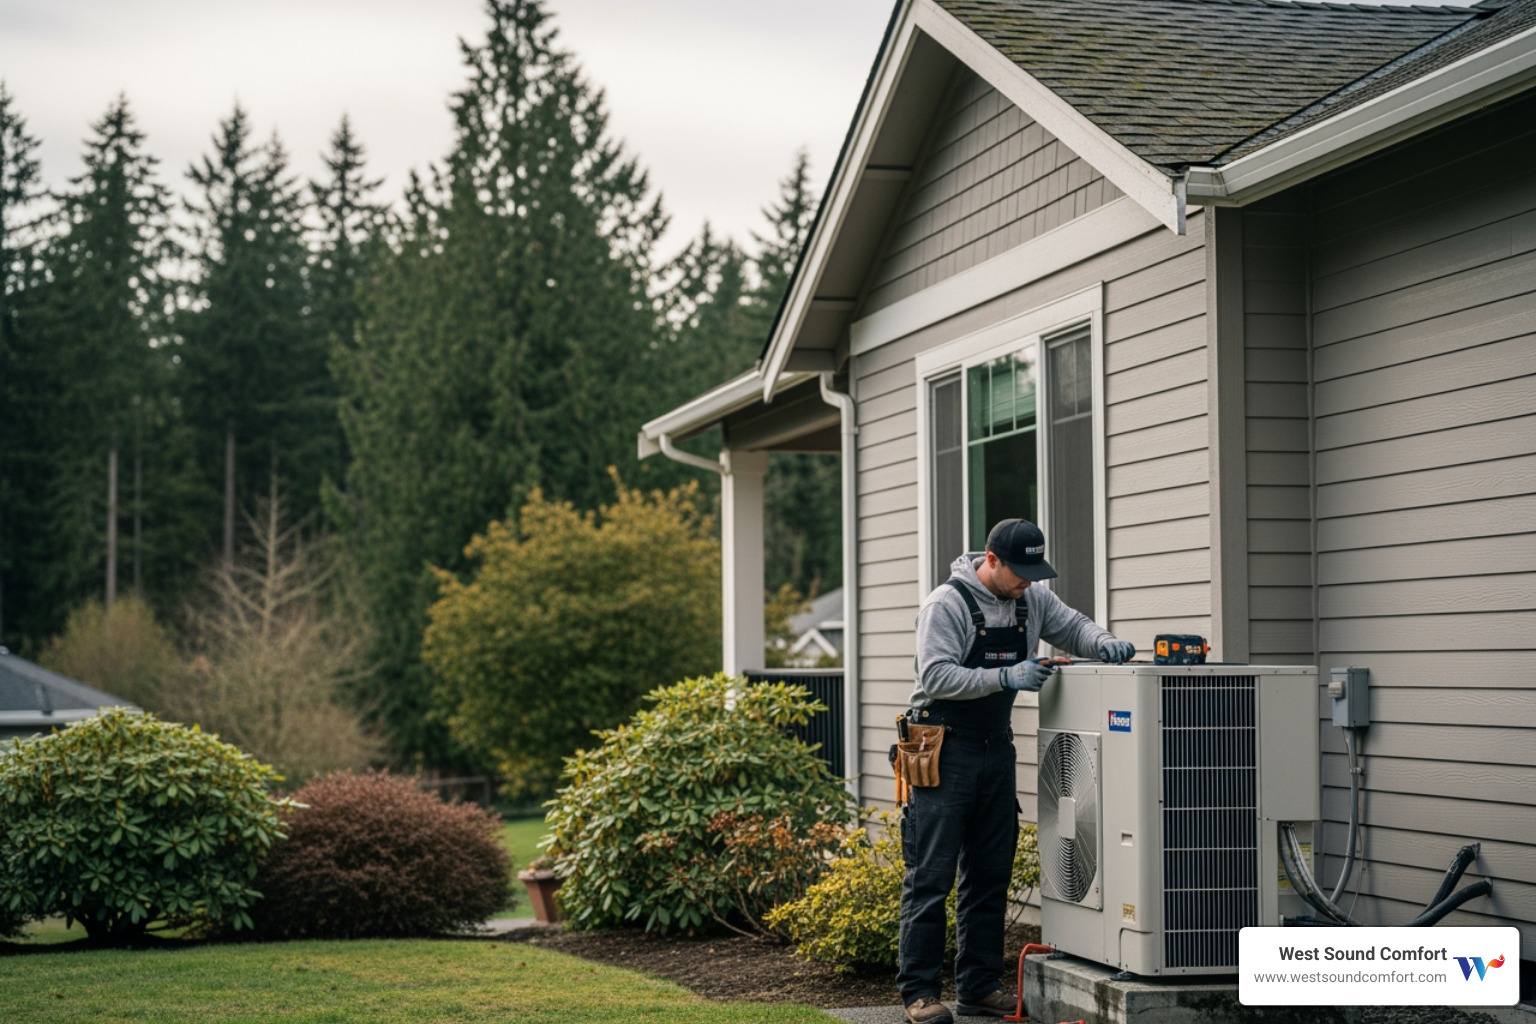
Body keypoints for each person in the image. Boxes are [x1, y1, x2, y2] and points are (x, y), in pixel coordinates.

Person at [899, 518, 1135, 1024]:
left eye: (1035, 570)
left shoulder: (1032, 599)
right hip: (942, 747)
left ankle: (978, 987)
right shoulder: (947, 605)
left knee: (989, 873)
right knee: (931, 876)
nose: (1028, 580)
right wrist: (1006, 675)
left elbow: (1073, 626)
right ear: (991, 560)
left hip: (994, 748)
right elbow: (935, 675)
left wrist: (1104, 641)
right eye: (1020, 571)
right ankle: (919, 994)